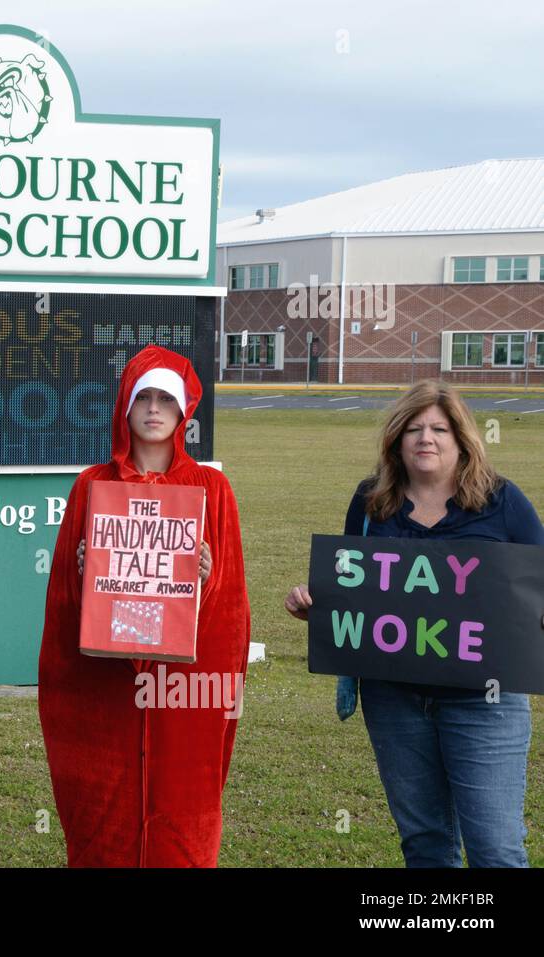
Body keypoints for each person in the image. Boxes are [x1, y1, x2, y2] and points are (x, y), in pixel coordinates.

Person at [285, 379, 544, 867]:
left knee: (496, 849)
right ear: (396, 440)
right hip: (395, 700)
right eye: (414, 428)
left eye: (439, 429)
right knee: (425, 844)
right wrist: (312, 603)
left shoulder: (500, 500)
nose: (426, 438)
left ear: (461, 439)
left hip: (484, 700)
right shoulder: (371, 501)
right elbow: (350, 588)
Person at [39, 344, 251, 867]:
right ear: (125, 408)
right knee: (103, 811)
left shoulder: (212, 487)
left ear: (183, 413)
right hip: (106, 680)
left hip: (183, 681)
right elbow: (64, 593)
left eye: (165, 400)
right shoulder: (93, 484)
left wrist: (206, 574)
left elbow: (230, 599)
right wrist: (87, 570)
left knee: (182, 809)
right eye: (143, 399)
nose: (154, 410)